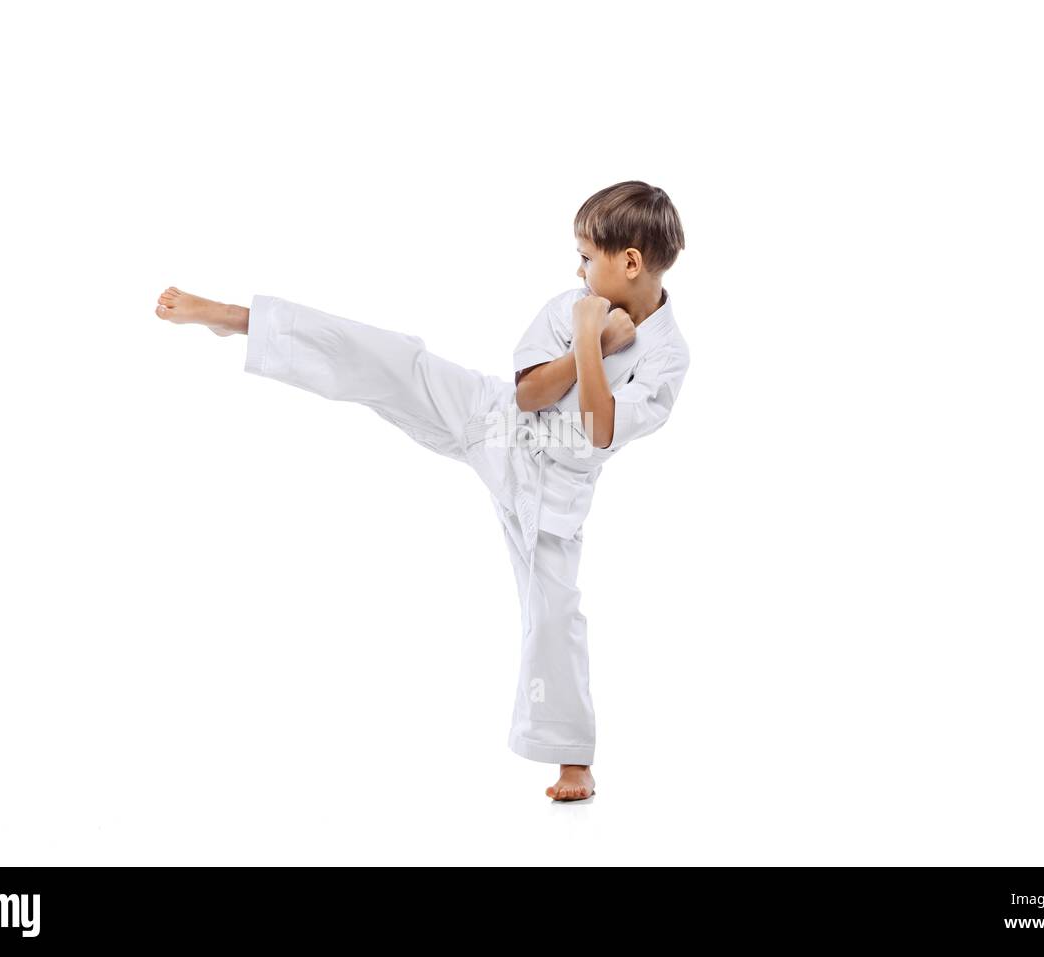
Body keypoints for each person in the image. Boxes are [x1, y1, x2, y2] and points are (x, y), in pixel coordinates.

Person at [155, 180, 690, 802]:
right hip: (498, 420)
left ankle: (572, 759)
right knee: (397, 362)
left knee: (554, 613)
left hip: (554, 494)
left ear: (629, 261)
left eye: (586, 257)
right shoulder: (572, 305)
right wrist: (586, 341)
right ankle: (247, 323)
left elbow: (600, 429)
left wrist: (598, 344)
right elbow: (527, 394)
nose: (577, 269)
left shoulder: (668, 357)